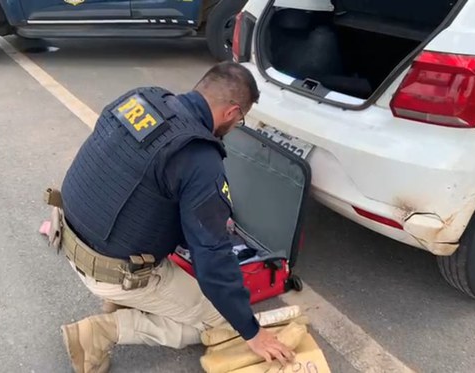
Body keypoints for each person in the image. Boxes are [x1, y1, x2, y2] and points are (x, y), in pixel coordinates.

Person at [53, 62, 295, 373]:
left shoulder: (142, 98)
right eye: (240, 120)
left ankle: (123, 299)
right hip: (111, 269)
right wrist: (252, 331)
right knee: (219, 322)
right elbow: (212, 262)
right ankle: (102, 332)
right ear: (232, 113)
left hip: (70, 231)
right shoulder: (199, 157)